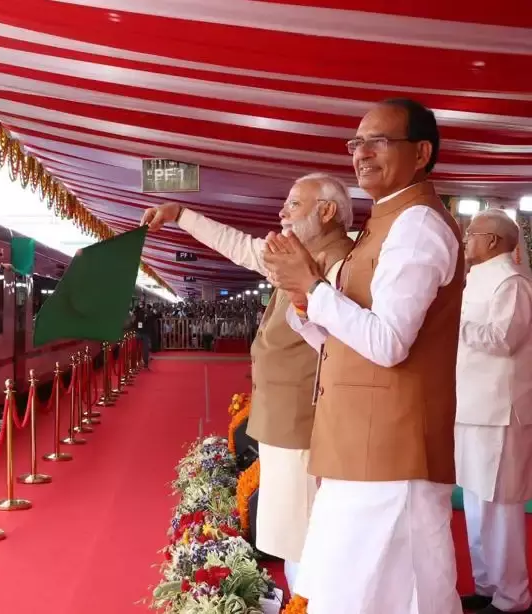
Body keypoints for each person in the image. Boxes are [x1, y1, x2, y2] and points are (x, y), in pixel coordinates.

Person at [262, 98, 464, 614]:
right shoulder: (385, 224)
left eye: (379, 141)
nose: (362, 153)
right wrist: (308, 302)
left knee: (382, 597)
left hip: (392, 451)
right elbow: (346, 344)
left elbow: (388, 342)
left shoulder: (417, 225)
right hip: (363, 445)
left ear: (421, 153)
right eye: (356, 143)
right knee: (353, 595)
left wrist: (314, 286)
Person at [140, 173, 355, 590]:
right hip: (282, 414)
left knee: (304, 527)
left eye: (293, 205)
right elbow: (240, 246)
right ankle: (301, 597)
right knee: (290, 527)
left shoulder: (340, 265)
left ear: (326, 212)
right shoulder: (300, 256)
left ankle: (310, 601)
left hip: (305, 417)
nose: (281, 213)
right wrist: (181, 214)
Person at [455, 208, 532, 614]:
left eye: (473, 233)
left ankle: (514, 597)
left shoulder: (513, 282)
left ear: (494, 241)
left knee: (501, 508)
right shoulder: (475, 280)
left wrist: (454, 324)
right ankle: (486, 585)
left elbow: (504, 339)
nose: (467, 239)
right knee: (475, 504)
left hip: (501, 412)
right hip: (470, 406)